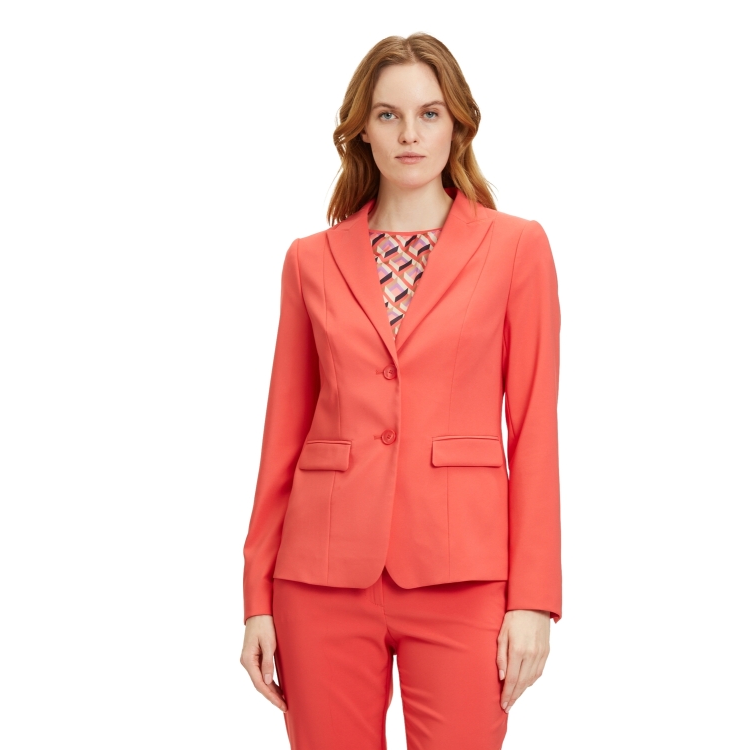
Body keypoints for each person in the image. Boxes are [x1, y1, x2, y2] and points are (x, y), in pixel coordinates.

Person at [238, 32, 562, 750]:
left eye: (429, 114)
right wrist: (257, 596)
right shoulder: (309, 261)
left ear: (457, 125)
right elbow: (282, 436)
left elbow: (534, 429)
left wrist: (534, 599)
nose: (409, 134)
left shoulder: (516, 248)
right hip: (320, 577)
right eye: (388, 115)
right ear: (362, 129)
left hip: (464, 574)